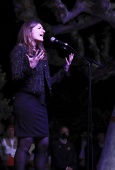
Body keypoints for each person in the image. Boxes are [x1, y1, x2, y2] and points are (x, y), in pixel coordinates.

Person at [10, 19, 74, 170]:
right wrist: (29, 68)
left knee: (44, 143)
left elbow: (47, 83)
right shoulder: (19, 50)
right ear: (28, 31)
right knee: (26, 142)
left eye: (44, 28)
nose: (43, 31)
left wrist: (64, 71)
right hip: (25, 100)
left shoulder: (42, 53)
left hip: (40, 102)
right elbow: (16, 78)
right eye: (39, 28)